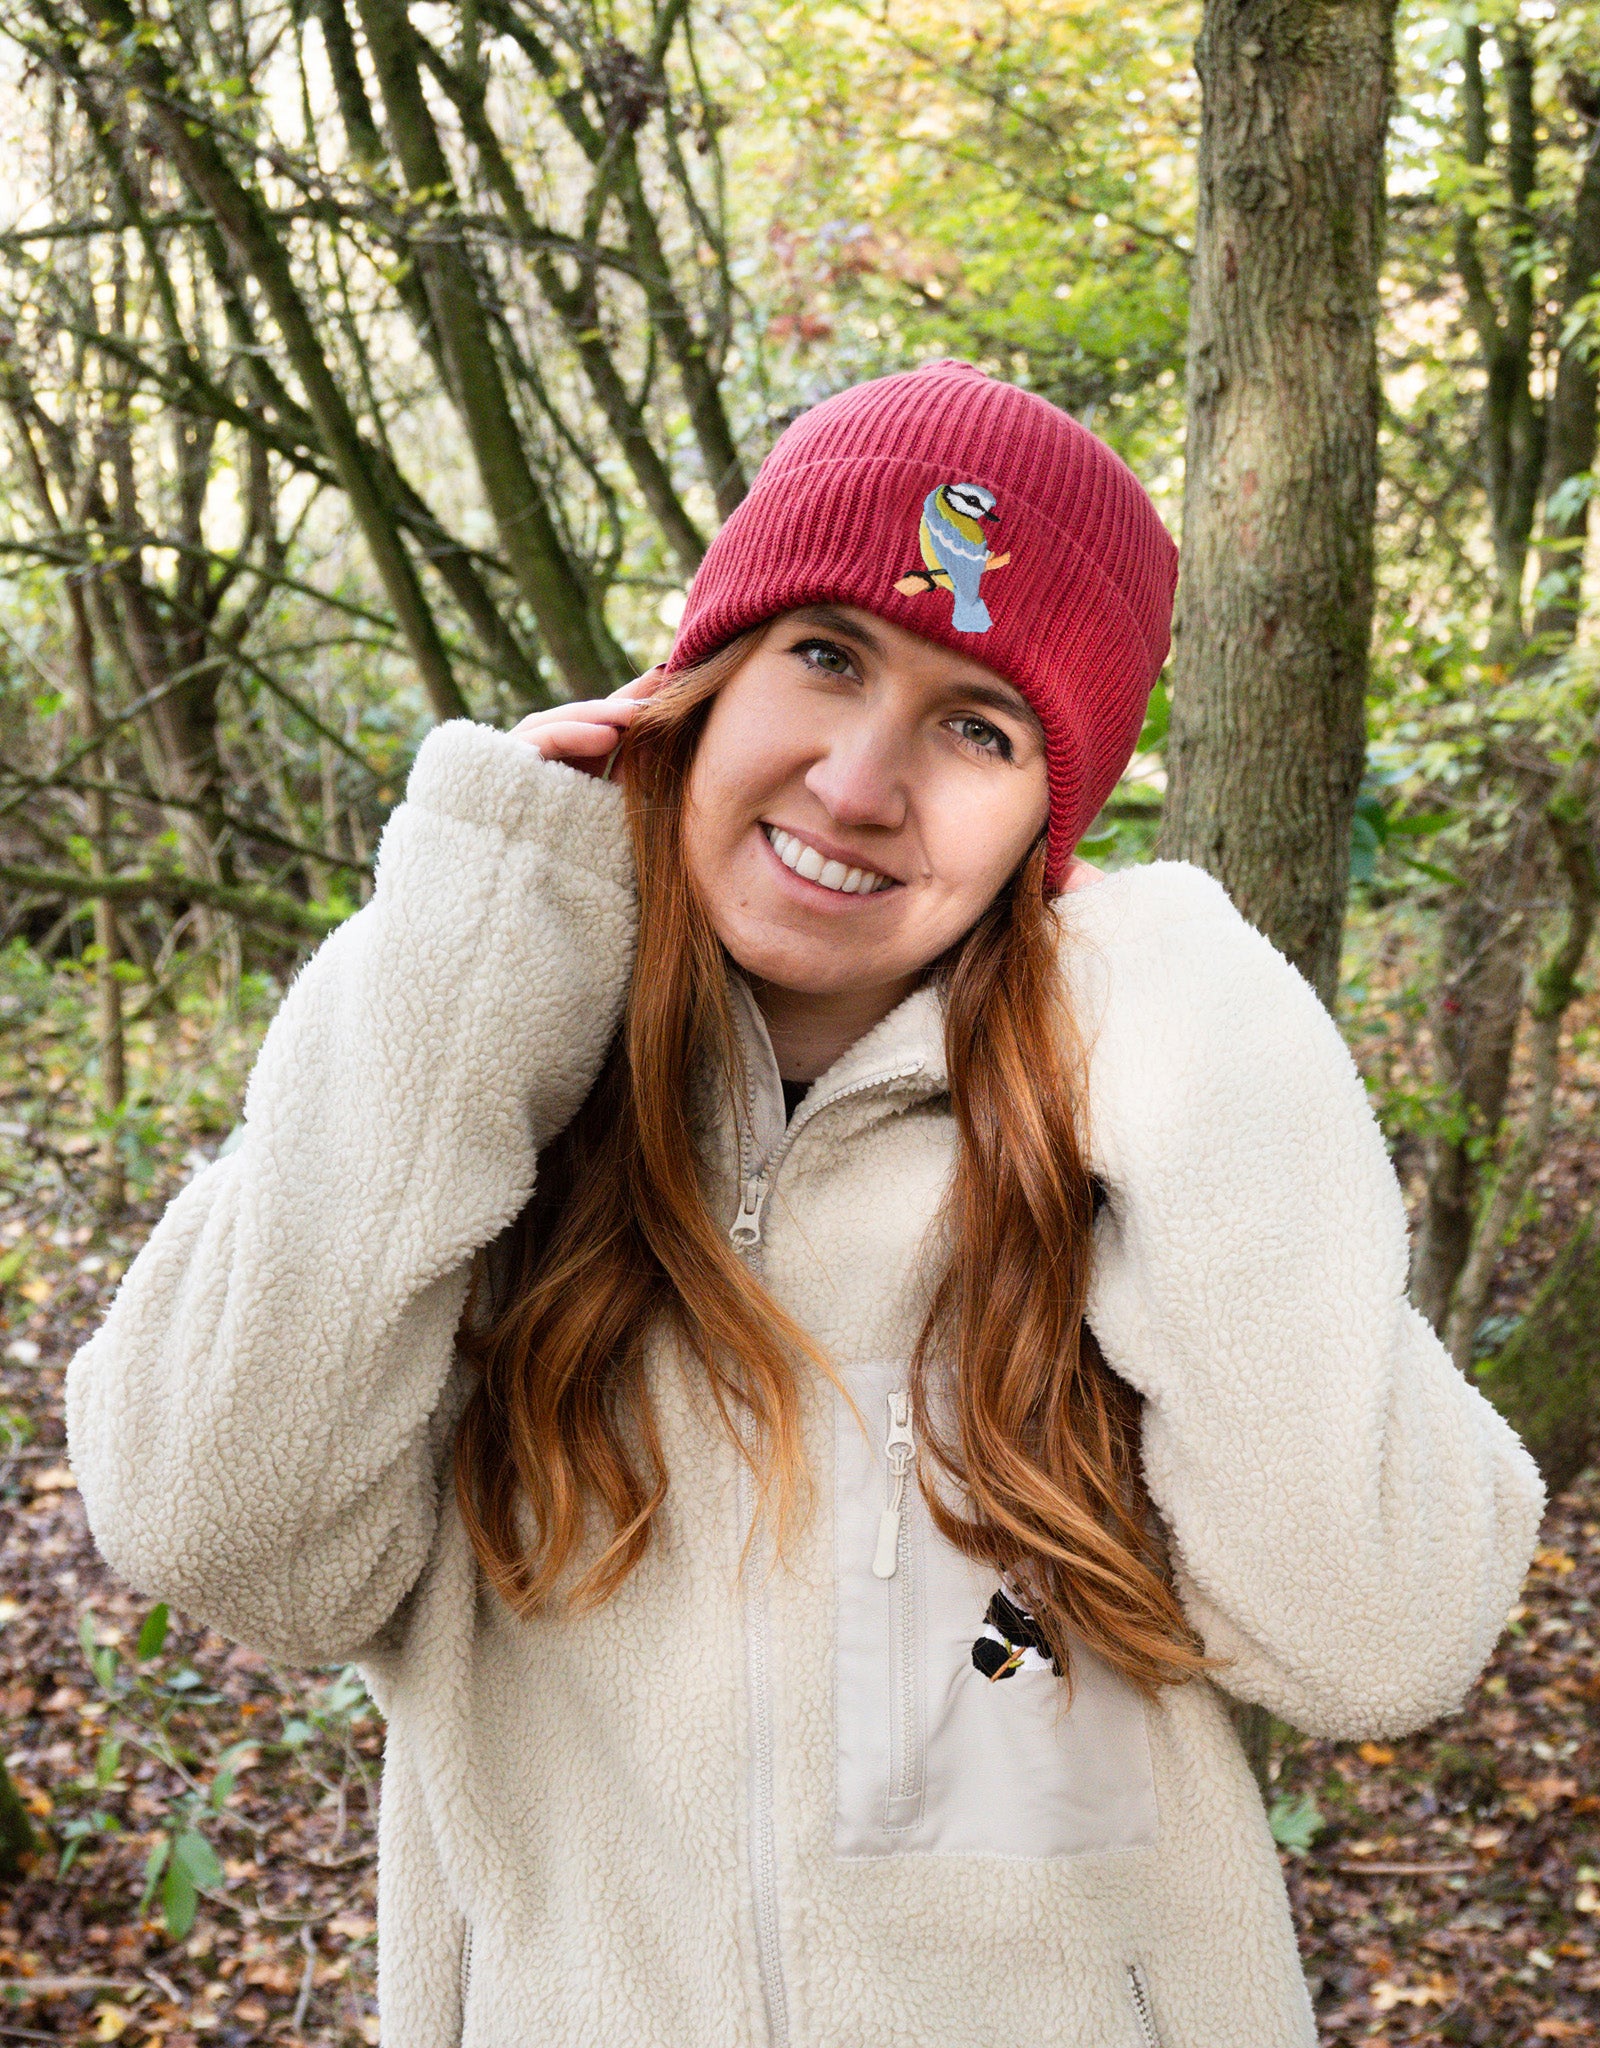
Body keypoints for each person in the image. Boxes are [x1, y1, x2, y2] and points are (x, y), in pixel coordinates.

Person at [67, 360, 1542, 2048]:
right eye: (825, 655)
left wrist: (1203, 1022)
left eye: (976, 727)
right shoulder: (472, 1088)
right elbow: (214, 1529)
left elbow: (1383, 1642)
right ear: (701, 665)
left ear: (1048, 827)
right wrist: (477, 941)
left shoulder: (1126, 1145)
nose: (856, 782)